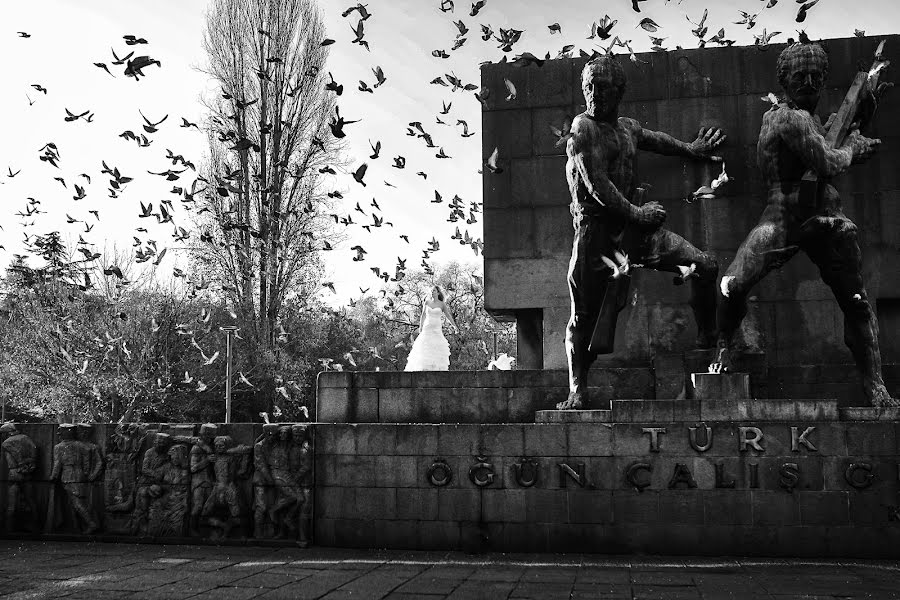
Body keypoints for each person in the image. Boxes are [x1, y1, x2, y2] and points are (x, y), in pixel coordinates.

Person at [714, 40, 894, 406]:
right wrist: (853, 150)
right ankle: (723, 346)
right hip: (782, 215)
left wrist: (864, 112)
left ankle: (875, 386)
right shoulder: (785, 117)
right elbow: (830, 163)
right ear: (784, 81)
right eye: (800, 76)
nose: (809, 82)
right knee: (732, 284)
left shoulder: (812, 120)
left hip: (826, 216)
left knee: (857, 301)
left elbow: (840, 135)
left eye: (816, 76)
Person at [559, 55, 726, 410]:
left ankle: (709, 337)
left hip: (637, 232)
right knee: (583, 317)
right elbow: (597, 184)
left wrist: (690, 149)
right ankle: (577, 388)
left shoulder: (627, 127)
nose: (595, 93)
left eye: (603, 87)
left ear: (619, 91)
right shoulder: (582, 128)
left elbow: (658, 140)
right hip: (596, 237)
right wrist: (639, 212)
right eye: (589, 86)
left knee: (705, 266)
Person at [404, 285, 459, 371]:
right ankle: (424, 367)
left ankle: (436, 368)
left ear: (438, 292)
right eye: (432, 291)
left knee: (436, 346)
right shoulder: (427, 302)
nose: (432, 292)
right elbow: (423, 315)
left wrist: (454, 326)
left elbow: (448, 315)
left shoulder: (442, 304)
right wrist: (420, 327)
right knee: (425, 345)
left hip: (437, 328)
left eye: (434, 291)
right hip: (427, 327)